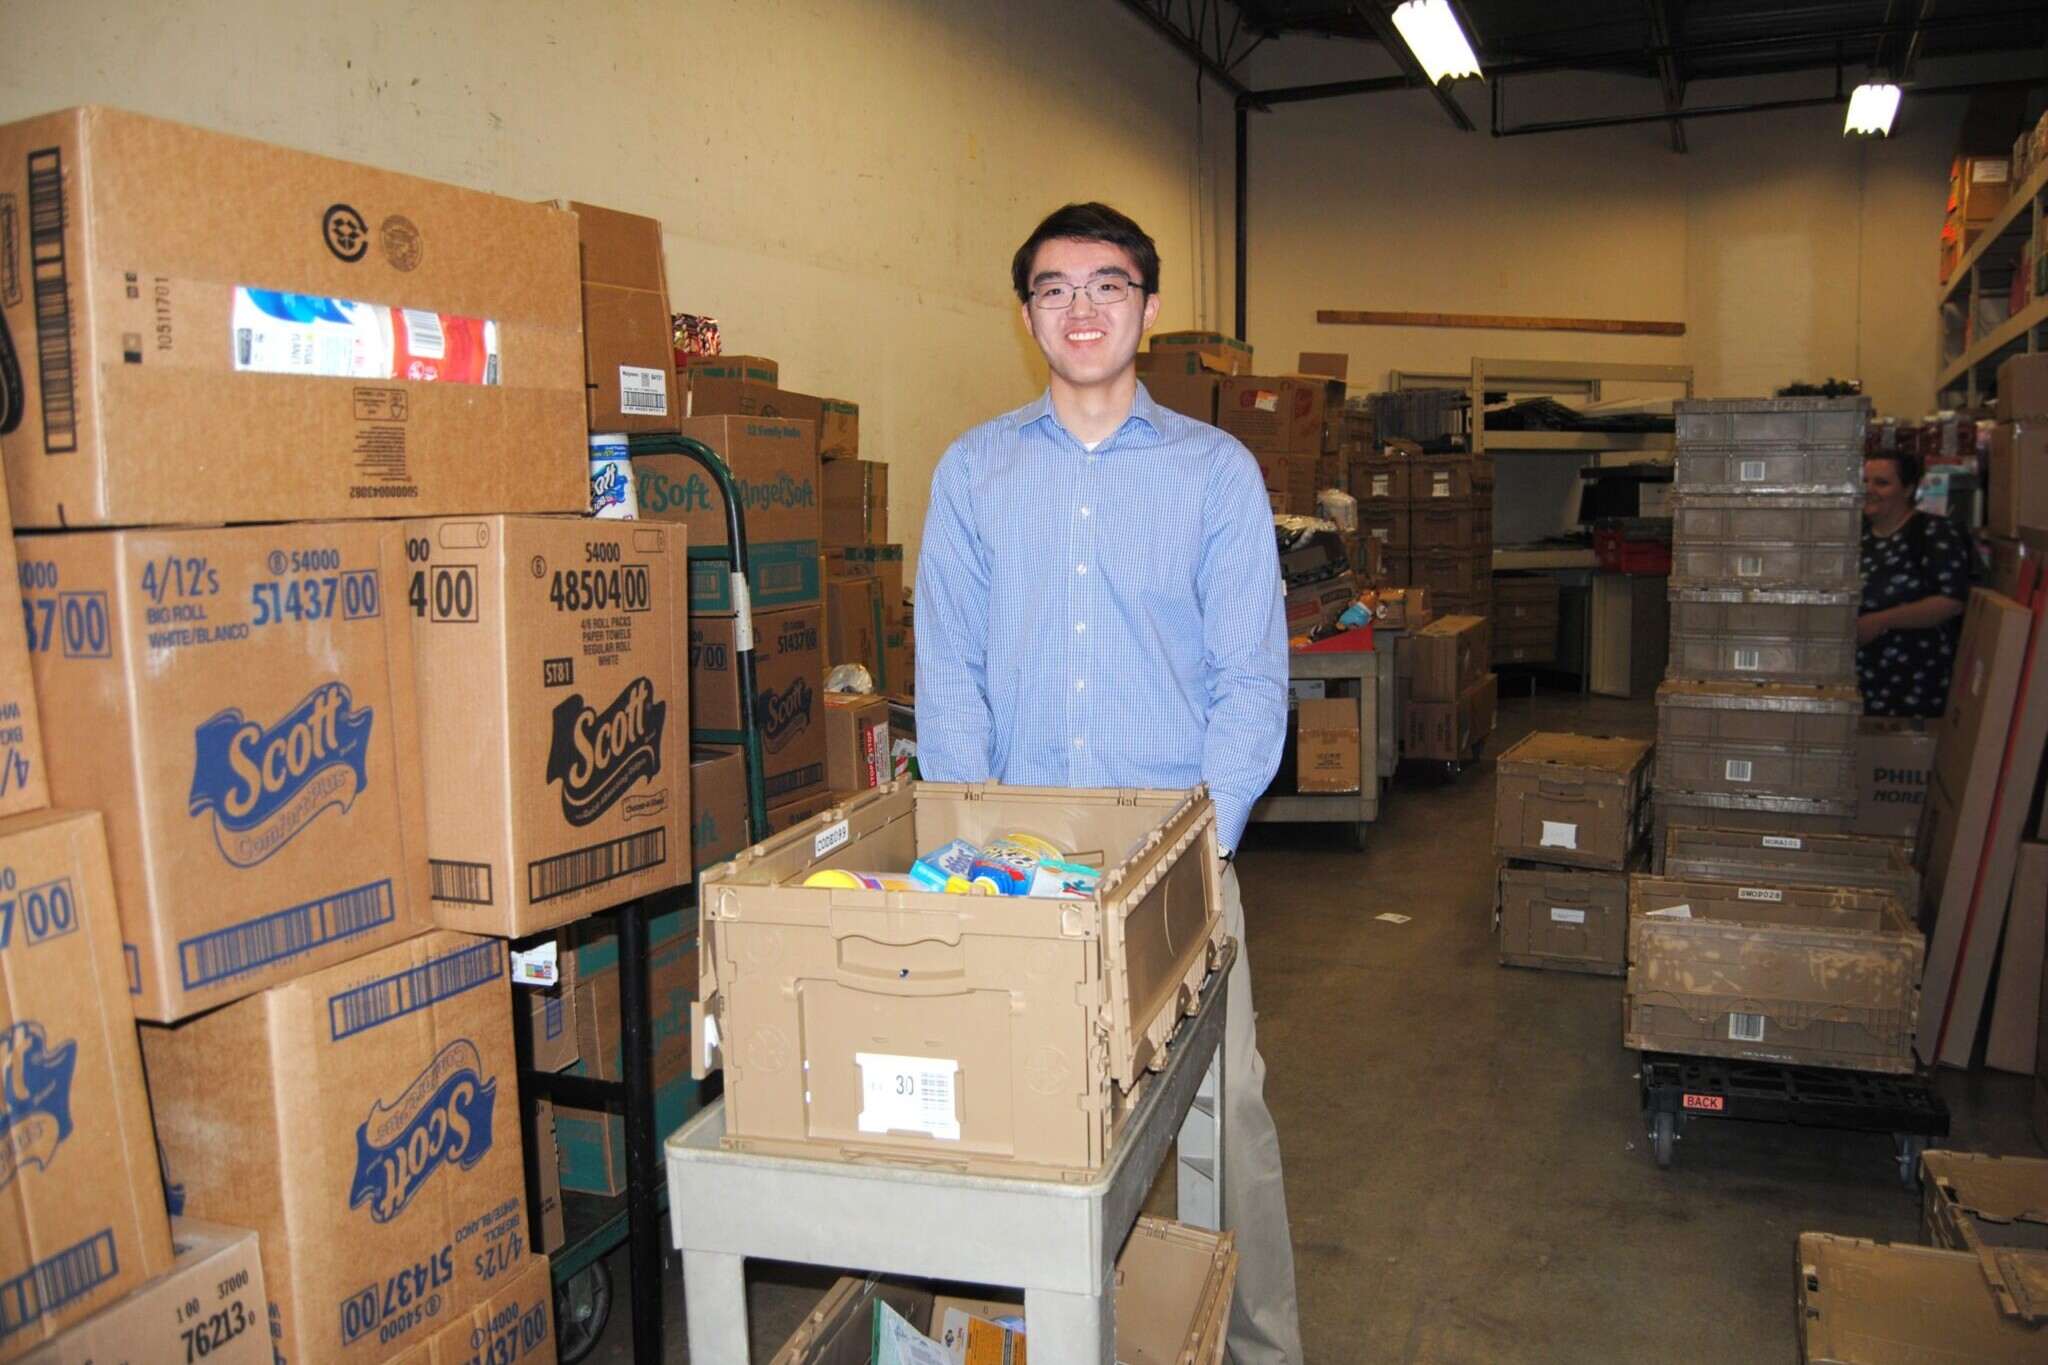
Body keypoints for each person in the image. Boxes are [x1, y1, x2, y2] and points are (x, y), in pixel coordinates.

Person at [915, 202, 1303, 1364]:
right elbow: (950, 676)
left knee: (1222, 1123)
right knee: (1019, 1124)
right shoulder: (975, 472)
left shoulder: (1213, 473)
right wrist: (981, 852)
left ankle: (1258, 1349)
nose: (1079, 308)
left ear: (1146, 306)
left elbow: (1249, 683)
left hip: (1175, 861)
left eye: (1106, 285)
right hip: (1016, 871)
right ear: (1026, 312)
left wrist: (1199, 845)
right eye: (1052, 288)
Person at [1858, 449, 1970, 718]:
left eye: (1881, 483)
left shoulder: (1933, 533)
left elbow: (1951, 601)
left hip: (1914, 679)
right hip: (1864, 680)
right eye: (1864, 481)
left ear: (1908, 489)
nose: (1869, 489)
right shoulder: (1856, 536)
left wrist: (1881, 620)